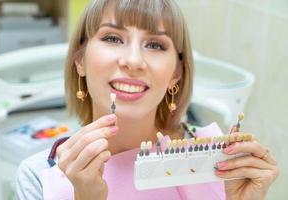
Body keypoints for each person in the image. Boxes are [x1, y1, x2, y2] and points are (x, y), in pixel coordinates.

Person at [15, 0, 279, 199]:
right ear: (80, 60)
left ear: (176, 72)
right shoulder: (39, 176)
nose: (133, 61)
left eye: (155, 45)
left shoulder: (219, 165)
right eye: (112, 38)